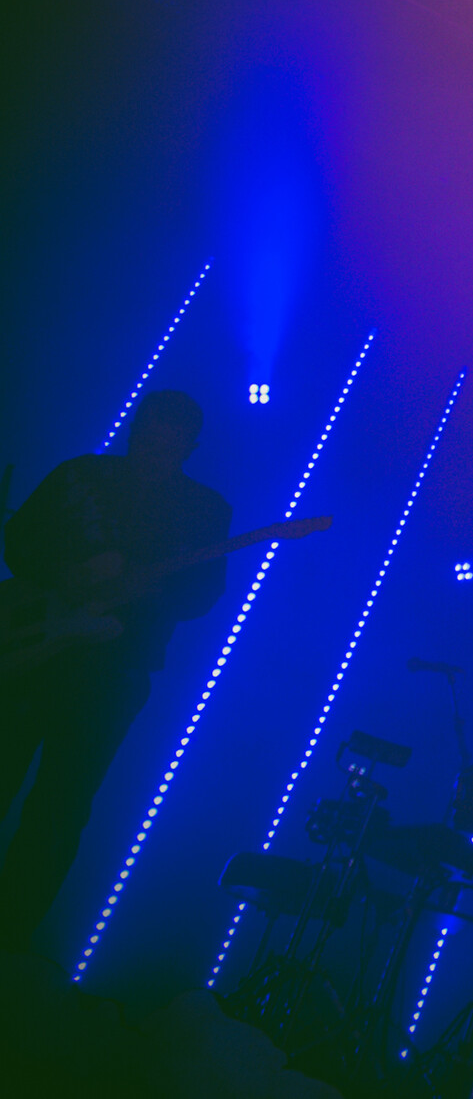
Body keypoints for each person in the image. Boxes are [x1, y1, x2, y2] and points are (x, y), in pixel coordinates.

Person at [0, 389, 231, 953]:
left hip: (112, 673)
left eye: (166, 445)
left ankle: (8, 938)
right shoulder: (80, 474)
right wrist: (71, 575)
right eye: (147, 439)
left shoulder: (205, 510)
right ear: (134, 429)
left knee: (60, 806)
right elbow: (19, 541)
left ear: (189, 447)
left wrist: (145, 590)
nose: (153, 452)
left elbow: (202, 595)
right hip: (31, 654)